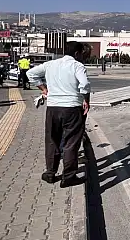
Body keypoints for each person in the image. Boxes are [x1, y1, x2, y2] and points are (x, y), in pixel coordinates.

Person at [27, 41, 90, 188]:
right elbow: (85, 84)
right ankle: (68, 177)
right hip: (72, 108)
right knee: (71, 142)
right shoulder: (77, 66)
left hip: (53, 108)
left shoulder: (50, 64)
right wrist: (85, 99)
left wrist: (43, 89)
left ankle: (50, 173)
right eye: (81, 53)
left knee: (52, 140)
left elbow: (31, 73)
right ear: (77, 53)